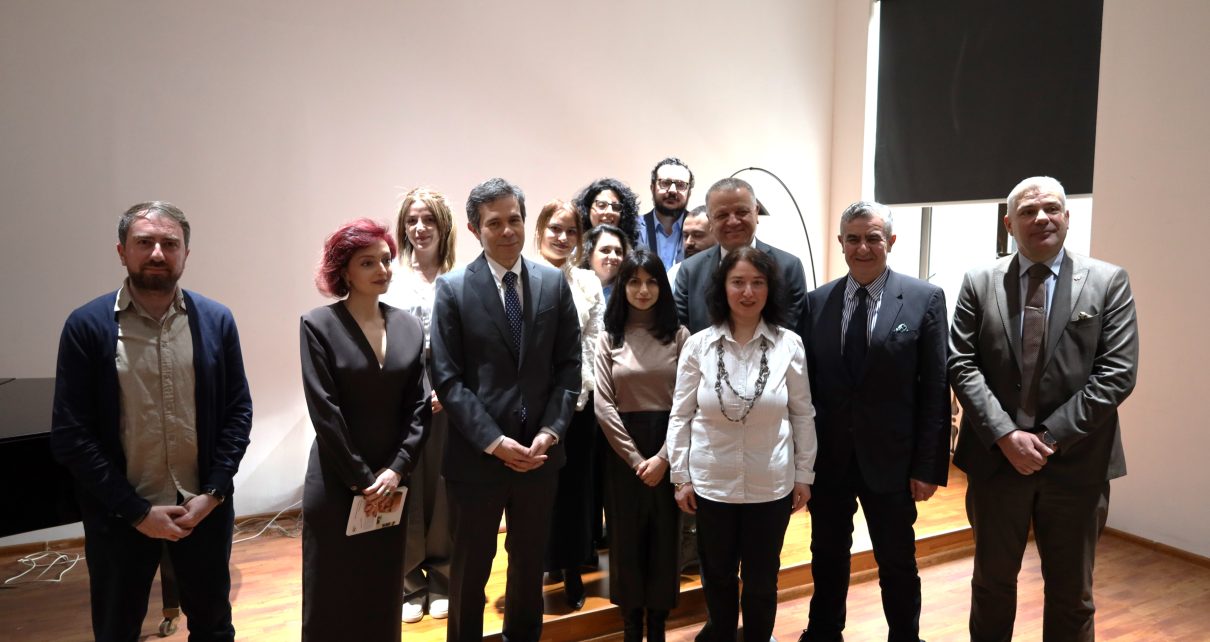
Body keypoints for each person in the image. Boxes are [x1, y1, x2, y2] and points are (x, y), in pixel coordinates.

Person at [50, 201, 253, 641]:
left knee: (214, 626)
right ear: (122, 251)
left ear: (185, 254)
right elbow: (71, 434)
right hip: (120, 513)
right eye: (145, 242)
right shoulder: (86, 326)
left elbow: (238, 412)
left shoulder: (216, 320)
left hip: (202, 510)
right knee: (117, 630)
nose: (158, 253)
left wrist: (214, 493)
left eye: (170, 244)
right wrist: (136, 512)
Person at [950, 176, 1139, 642]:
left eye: (1052, 209)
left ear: (1068, 218)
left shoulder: (1108, 281)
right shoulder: (979, 282)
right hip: (997, 464)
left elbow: (1117, 373)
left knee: (1072, 595)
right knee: (991, 587)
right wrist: (1005, 435)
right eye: (1028, 211)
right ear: (1009, 223)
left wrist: (1047, 438)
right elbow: (961, 362)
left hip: (1077, 465)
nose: (1042, 218)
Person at [431, 177, 581, 642]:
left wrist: (551, 431)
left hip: (538, 456)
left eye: (514, 219)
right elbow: (448, 379)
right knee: (470, 570)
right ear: (475, 229)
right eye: (494, 223)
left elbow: (569, 366)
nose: (508, 230)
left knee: (529, 566)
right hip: (477, 457)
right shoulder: (453, 288)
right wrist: (495, 442)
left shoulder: (552, 283)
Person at [796, 201, 950, 642]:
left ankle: (905, 635)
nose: (863, 247)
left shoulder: (924, 299)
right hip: (830, 459)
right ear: (841, 243)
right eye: (853, 239)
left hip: (893, 460)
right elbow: (807, 389)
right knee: (827, 554)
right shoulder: (816, 303)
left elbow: (935, 389)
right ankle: (823, 632)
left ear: (891, 241)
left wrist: (927, 467)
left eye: (873, 238)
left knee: (896, 559)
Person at [666, 246, 817, 642]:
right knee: (717, 576)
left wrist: (804, 474)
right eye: (738, 282)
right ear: (723, 288)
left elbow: (803, 414)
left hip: (771, 484)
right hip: (712, 484)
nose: (747, 292)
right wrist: (681, 476)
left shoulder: (790, 345)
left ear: (770, 289)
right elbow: (680, 415)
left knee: (762, 579)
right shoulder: (698, 345)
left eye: (757, 282)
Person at [300, 219, 430, 641]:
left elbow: (419, 407)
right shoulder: (317, 325)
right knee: (331, 586)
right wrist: (361, 479)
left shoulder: (409, 326)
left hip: (392, 481)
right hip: (337, 478)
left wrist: (396, 469)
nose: (382, 269)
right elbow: (325, 411)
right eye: (368, 262)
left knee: (382, 584)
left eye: (387, 260)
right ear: (345, 271)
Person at [595, 248, 690, 642]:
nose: (643, 290)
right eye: (634, 281)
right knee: (625, 538)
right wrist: (637, 459)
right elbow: (603, 405)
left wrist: (664, 458)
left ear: (662, 287)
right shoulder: (609, 337)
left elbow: (687, 403)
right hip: (623, 450)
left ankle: (659, 625)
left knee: (666, 539)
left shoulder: (680, 336)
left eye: (652, 281)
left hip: (670, 444)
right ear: (622, 286)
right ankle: (632, 625)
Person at [381, 188, 457, 624]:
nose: (420, 228)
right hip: (403, 391)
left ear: (443, 224)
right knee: (407, 484)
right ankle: (410, 581)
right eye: (412, 220)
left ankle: (444, 578)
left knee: (444, 486)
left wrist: (448, 388)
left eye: (428, 219)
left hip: (449, 393)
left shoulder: (459, 276)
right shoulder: (391, 277)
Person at [532, 199, 605, 609]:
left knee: (575, 491)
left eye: (570, 231)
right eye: (554, 228)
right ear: (540, 230)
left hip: (577, 403)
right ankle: (544, 562)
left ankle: (573, 567)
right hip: (532, 406)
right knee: (538, 491)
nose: (562, 237)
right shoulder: (523, 276)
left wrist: (579, 395)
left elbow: (593, 343)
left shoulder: (588, 282)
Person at [674, 178, 807, 333]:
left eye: (742, 212)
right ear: (710, 221)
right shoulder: (690, 271)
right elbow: (681, 334)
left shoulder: (789, 267)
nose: (733, 221)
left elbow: (792, 332)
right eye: (722, 215)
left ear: (756, 213)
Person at [635, 157, 695, 270]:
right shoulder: (634, 227)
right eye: (665, 183)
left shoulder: (701, 230)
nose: (672, 190)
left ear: (689, 193)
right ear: (652, 188)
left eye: (680, 185)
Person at [576, 177, 642, 248]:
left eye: (616, 207)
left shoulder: (632, 251)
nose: (610, 211)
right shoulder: (574, 248)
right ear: (587, 209)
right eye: (601, 205)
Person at [667, 205, 715, 284]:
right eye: (685, 236)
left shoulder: (730, 271)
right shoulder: (674, 274)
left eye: (697, 235)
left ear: (717, 236)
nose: (688, 242)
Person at [583, 223, 631, 300]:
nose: (613, 257)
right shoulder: (572, 287)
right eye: (605, 250)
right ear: (588, 255)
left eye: (618, 252)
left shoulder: (629, 293)